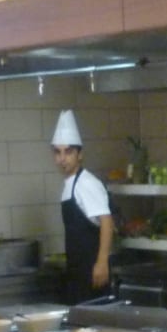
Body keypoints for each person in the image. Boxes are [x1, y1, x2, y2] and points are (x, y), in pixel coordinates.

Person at [51, 110, 115, 304]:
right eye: (58, 152)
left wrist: (102, 263)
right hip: (78, 271)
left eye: (68, 152)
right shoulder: (70, 185)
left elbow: (106, 221)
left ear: (80, 154)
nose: (62, 158)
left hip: (92, 272)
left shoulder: (87, 183)